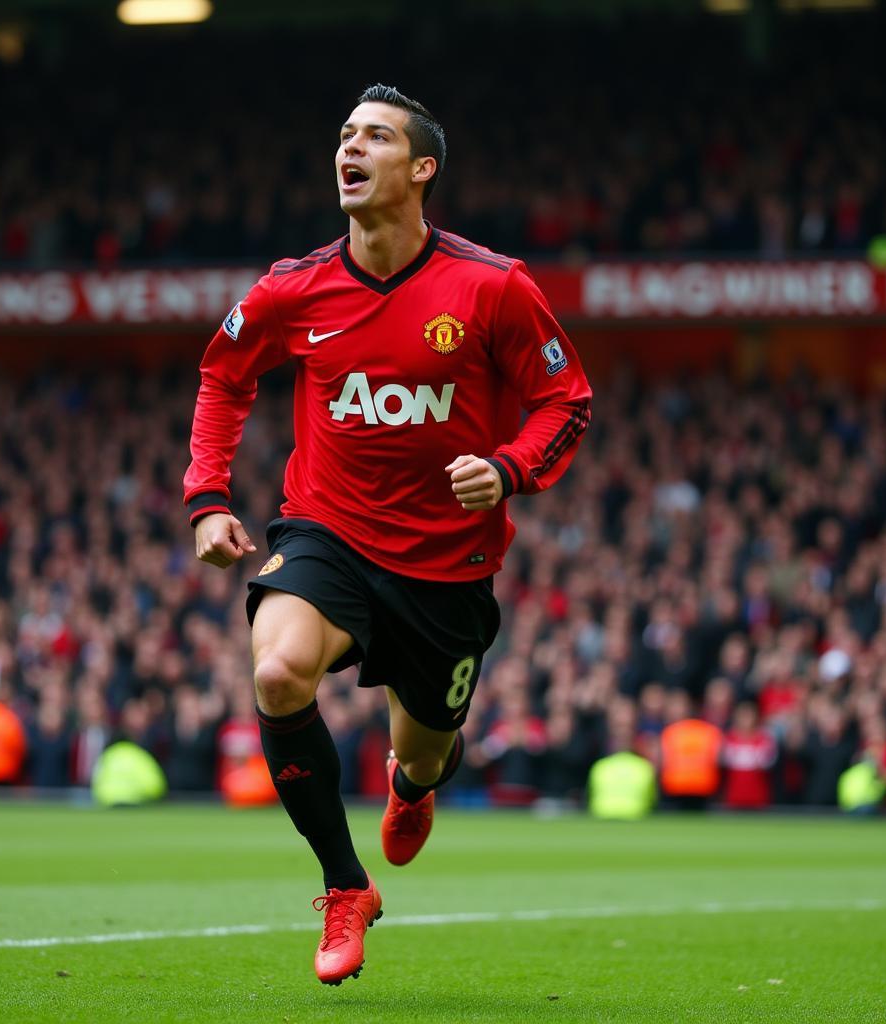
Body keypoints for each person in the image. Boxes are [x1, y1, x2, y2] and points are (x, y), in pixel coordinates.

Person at [184, 83, 591, 985]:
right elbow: (223, 377)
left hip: (447, 566)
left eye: (374, 136)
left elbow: (566, 398)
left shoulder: (492, 286)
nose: (350, 148)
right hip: (326, 531)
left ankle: (412, 788)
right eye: (343, 135)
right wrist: (208, 497)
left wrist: (511, 467)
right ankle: (343, 885)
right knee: (278, 670)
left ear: (421, 168)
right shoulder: (295, 287)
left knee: (425, 749)